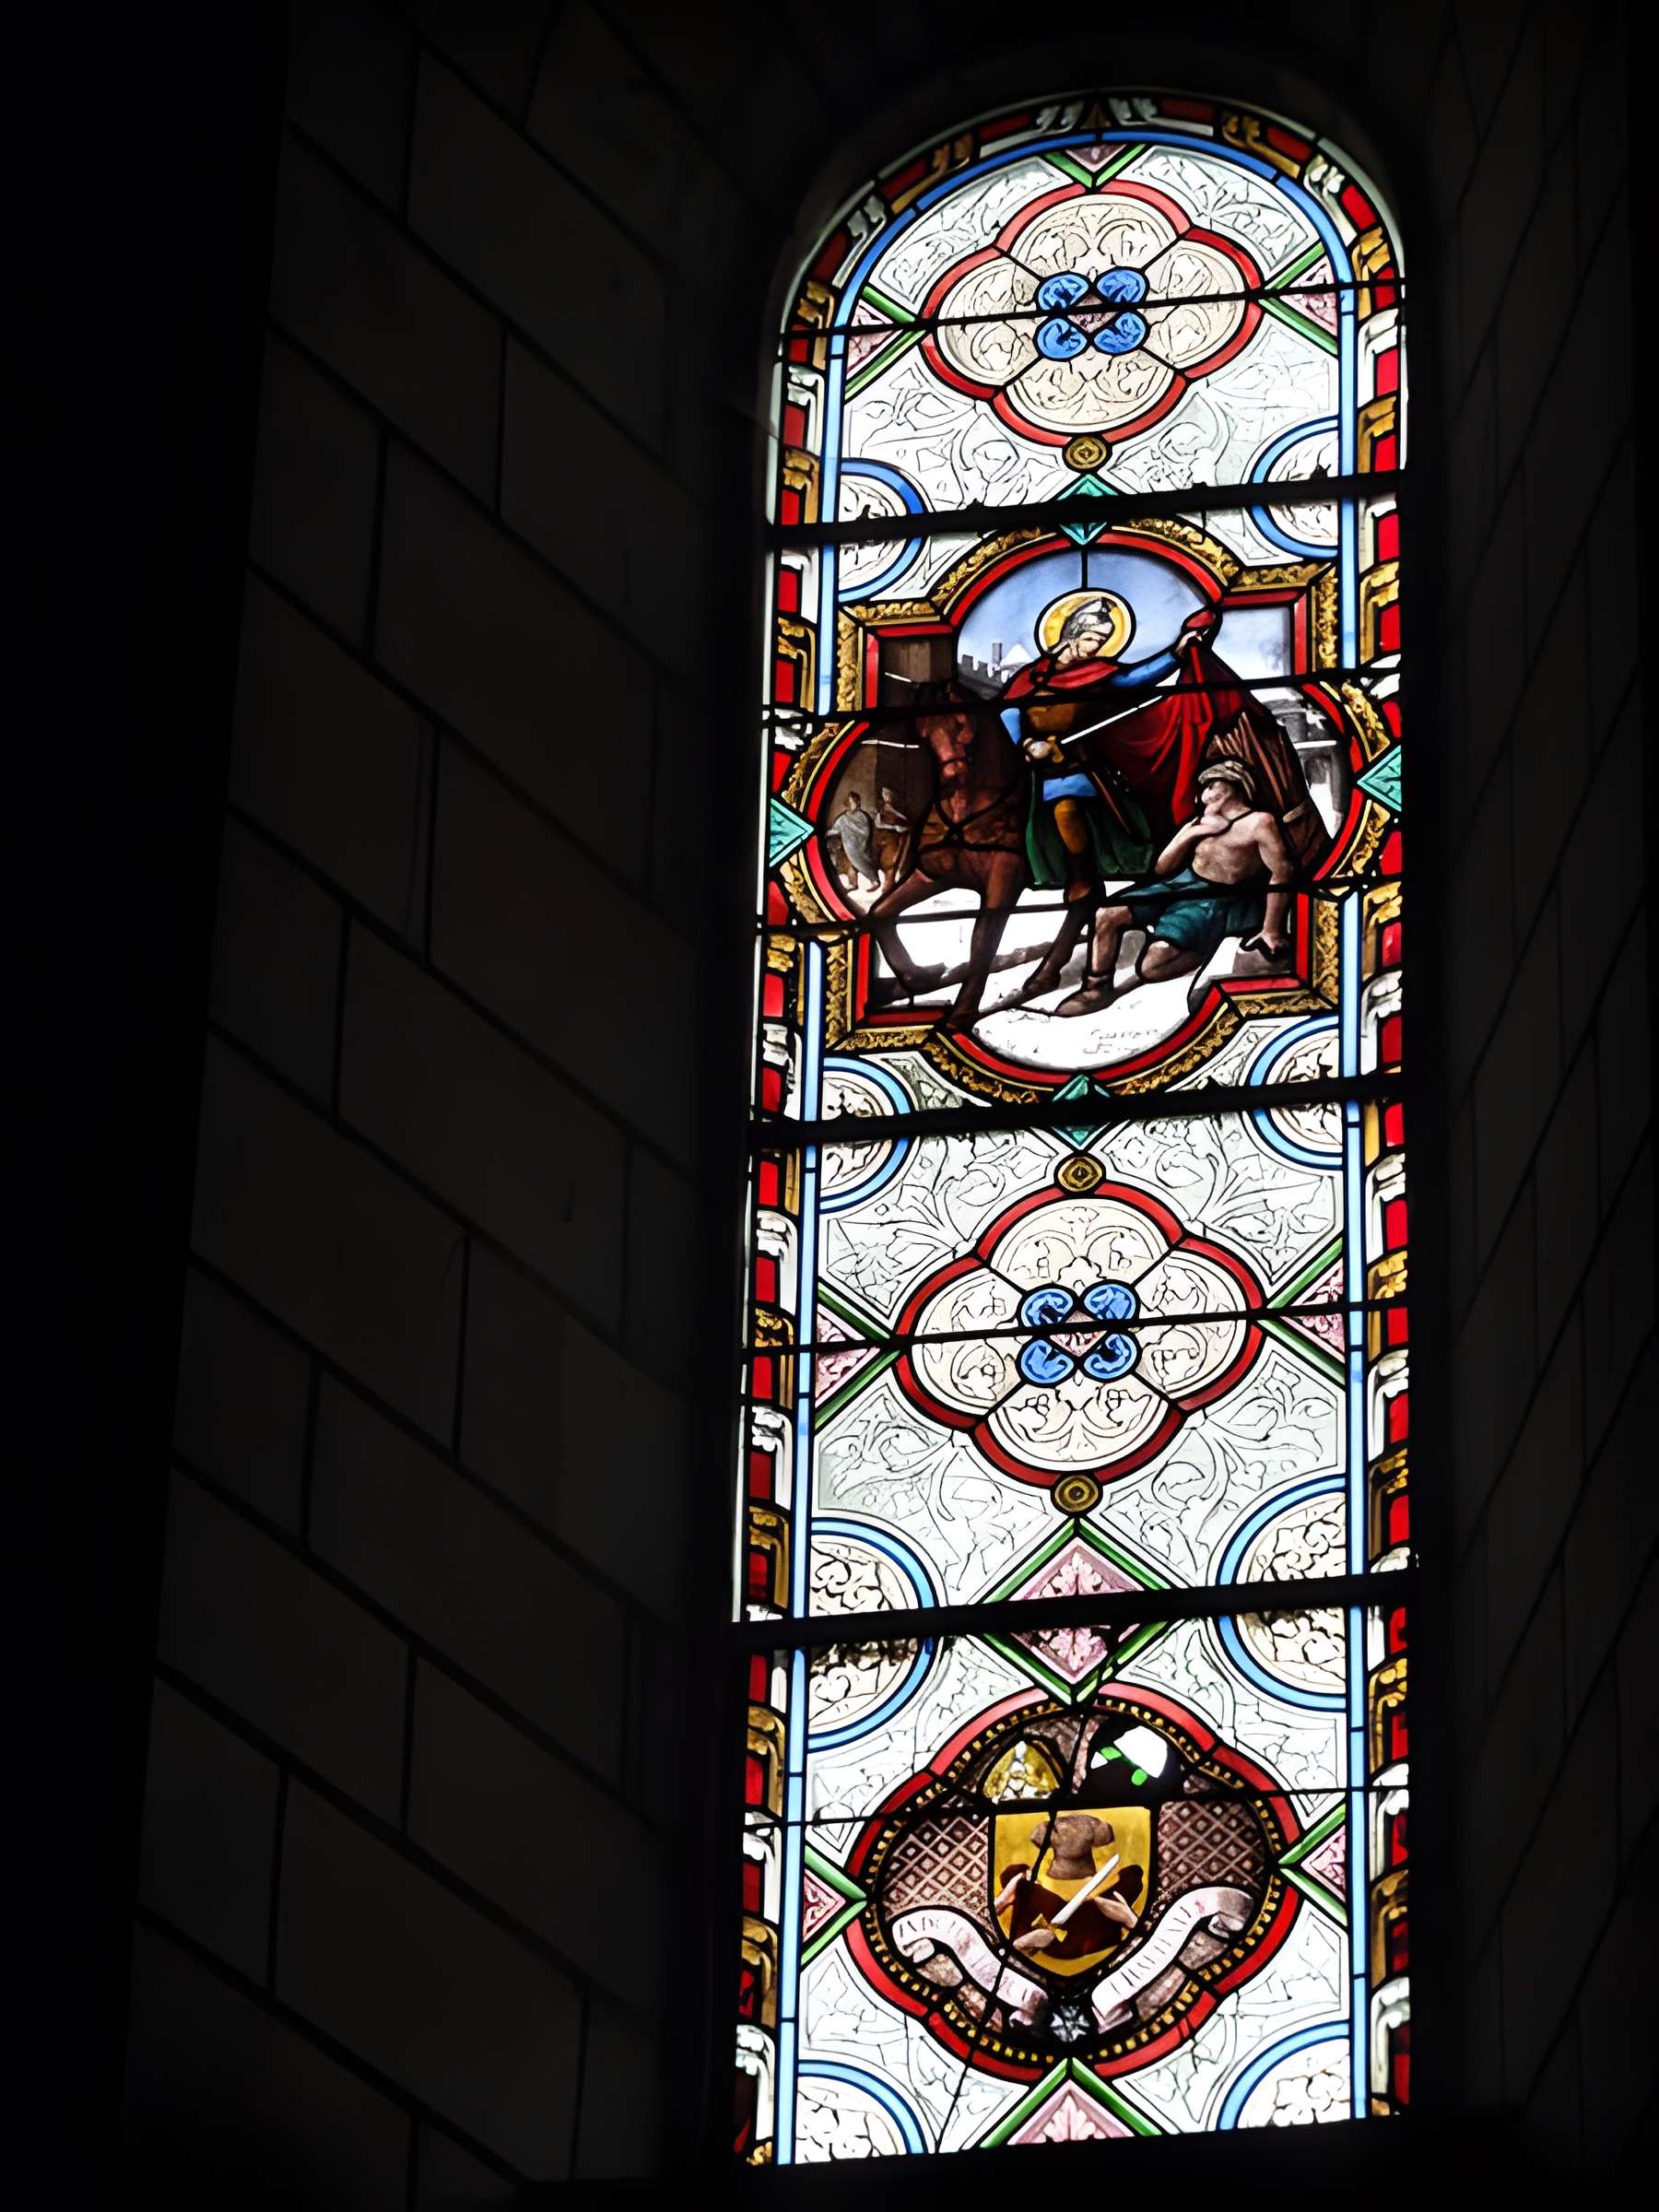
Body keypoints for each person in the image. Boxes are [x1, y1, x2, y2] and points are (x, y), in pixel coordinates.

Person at [1055, 759, 1295, 1017]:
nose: (1205, 795)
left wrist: (1272, 930)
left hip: (1213, 898)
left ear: (1235, 786)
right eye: (1204, 788)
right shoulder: (1201, 821)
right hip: (1179, 883)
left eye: (1212, 786)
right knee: (1106, 914)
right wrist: (1192, 833)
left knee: (1150, 969)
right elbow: (1162, 868)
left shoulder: (1259, 822)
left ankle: (1201, 947)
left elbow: (1283, 872)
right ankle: (1096, 988)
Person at [827, 787, 879, 890]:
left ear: (857, 803)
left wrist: (853, 832)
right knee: (850, 864)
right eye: (849, 802)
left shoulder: (862, 816)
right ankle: (853, 884)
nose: (850, 804)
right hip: (848, 846)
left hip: (860, 846)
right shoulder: (844, 817)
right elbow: (836, 829)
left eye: (852, 802)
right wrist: (827, 833)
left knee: (861, 862)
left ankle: (874, 880)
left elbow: (865, 830)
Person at [872, 785, 912, 896]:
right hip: (882, 838)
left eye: (888, 794)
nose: (886, 797)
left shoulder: (898, 809)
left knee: (890, 863)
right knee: (883, 863)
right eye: (884, 794)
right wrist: (890, 826)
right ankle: (887, 885)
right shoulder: (882, 809)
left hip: (895, 839)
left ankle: (889, 886)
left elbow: (907, 824)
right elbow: (878, 823)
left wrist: (897, 827)